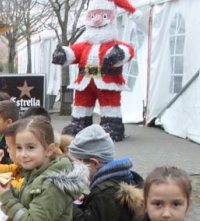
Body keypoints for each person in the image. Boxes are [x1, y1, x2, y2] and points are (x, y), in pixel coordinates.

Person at [52, 0, 139, 141]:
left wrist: (117, 55)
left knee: (110, 106)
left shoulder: (114, 44)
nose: (97, 20)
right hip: (84, 84)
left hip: (108, 83)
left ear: (111, 18)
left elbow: (127, 51)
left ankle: (112, 125)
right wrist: (63, 54)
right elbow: (73, 52)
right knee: (81, 105)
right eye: (93, 16)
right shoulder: (83, 46)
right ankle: (79, 125)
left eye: (104, 16)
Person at [66, 124, 144, 221]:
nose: (72, 170)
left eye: (75, 165)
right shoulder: (121, 179)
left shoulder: (107, 195)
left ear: (94, 163)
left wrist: (69, 203)